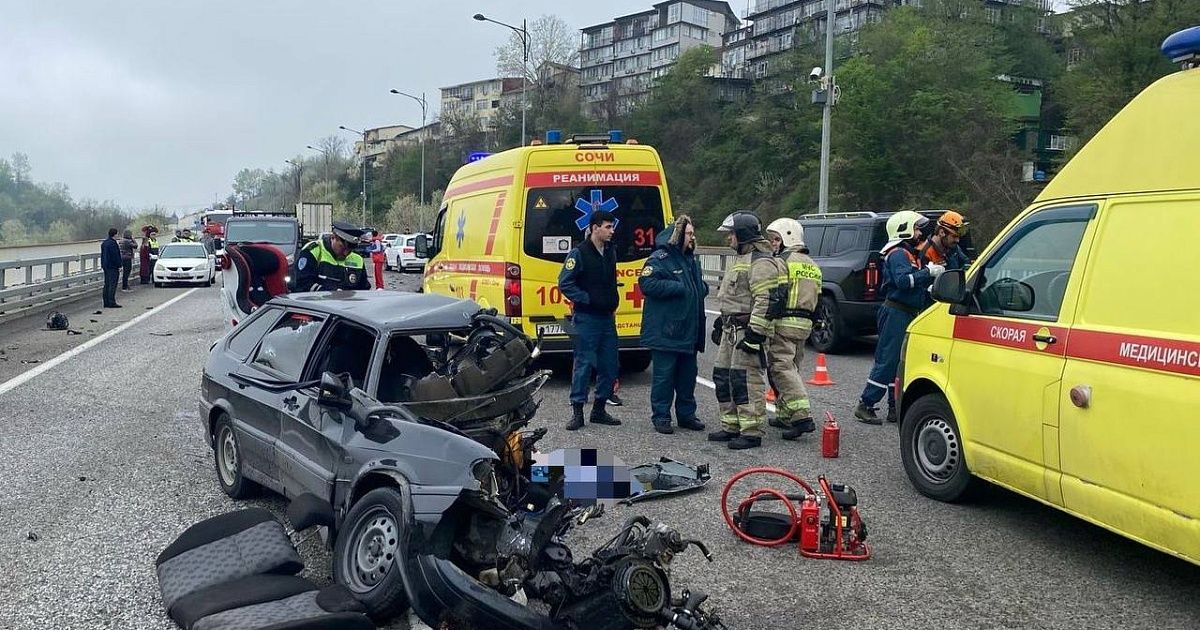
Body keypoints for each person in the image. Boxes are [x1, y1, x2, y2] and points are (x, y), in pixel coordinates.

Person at [854, 211, 943, 425]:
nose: (919, 233)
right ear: (904, 229)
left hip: (905, 312)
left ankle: (894, 407)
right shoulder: (898, 254)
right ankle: (865, 404)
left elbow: (909, 284)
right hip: (896, 312)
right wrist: (928, 273)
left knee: (898, 363)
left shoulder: (907, 254)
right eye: (916, 228)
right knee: (888, 360)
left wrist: (928, 287)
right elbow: (903, 282)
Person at [708, 212, 788, 450]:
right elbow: (736, 296)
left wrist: (755, 334)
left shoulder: (761, 262)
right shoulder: (743, 258)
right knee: (723, 376)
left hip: (746, 331)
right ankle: (731, 426)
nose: (728, 238)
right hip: (731, 329)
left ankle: (751, 431)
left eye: (732, 234)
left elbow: (767, 299)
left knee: (746, 380)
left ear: (743, 235)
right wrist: (722, 321)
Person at [638, 215, 708, 435]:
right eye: (688, 234)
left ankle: (687, 415)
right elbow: (646, 283)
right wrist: (677, 288)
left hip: (689, 332)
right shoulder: (660, 259)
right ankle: (661, 416)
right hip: (666, 332)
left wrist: (701, 289)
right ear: (678, 235)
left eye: (693, 233)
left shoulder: (691, 260)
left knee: (687, 377)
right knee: (664, 378)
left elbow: (696, 285)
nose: (692, 237)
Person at [558, 210, 623, 431]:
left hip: (607, 318)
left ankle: (599, 410)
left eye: (612, 227)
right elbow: (565, 283)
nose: (612, 231)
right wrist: (587, 299)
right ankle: (577, 411)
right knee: (584, 364)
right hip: (587, 318)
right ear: (595, 228)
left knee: (609, 365)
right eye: (608, 227)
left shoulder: (610, 251)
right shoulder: (579, 253)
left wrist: (612, 300)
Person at [764, 218, 822, 440]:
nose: (773, 244)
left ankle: (801, 416)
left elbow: (776, 294)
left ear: (787, 238)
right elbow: (818, 297)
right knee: (793, 368)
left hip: (785, 322)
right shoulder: (812, 264)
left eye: (775, 239)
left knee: (781, 368)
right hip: (804, 325)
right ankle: (785, 414)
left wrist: (765, 319)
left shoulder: (783, 261)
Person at [292, 220, 371, 291]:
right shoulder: (313, 251)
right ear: (333, 238)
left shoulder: (358, 259)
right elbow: (302, 283)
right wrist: (332, 293)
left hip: (348, 302)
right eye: (342, 248)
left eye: (350, 250)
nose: (346, 253)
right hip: (318, 302)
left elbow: (363, 289)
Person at [100, 228, 122, 308]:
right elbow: (115, 256)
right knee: (113, 284)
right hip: (112, 266)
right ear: (115, 234)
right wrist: (119, 265)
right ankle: (111, 302)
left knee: (107, 284)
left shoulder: (104, 243)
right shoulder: (113, 244)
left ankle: (106, 302)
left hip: (105, 266)